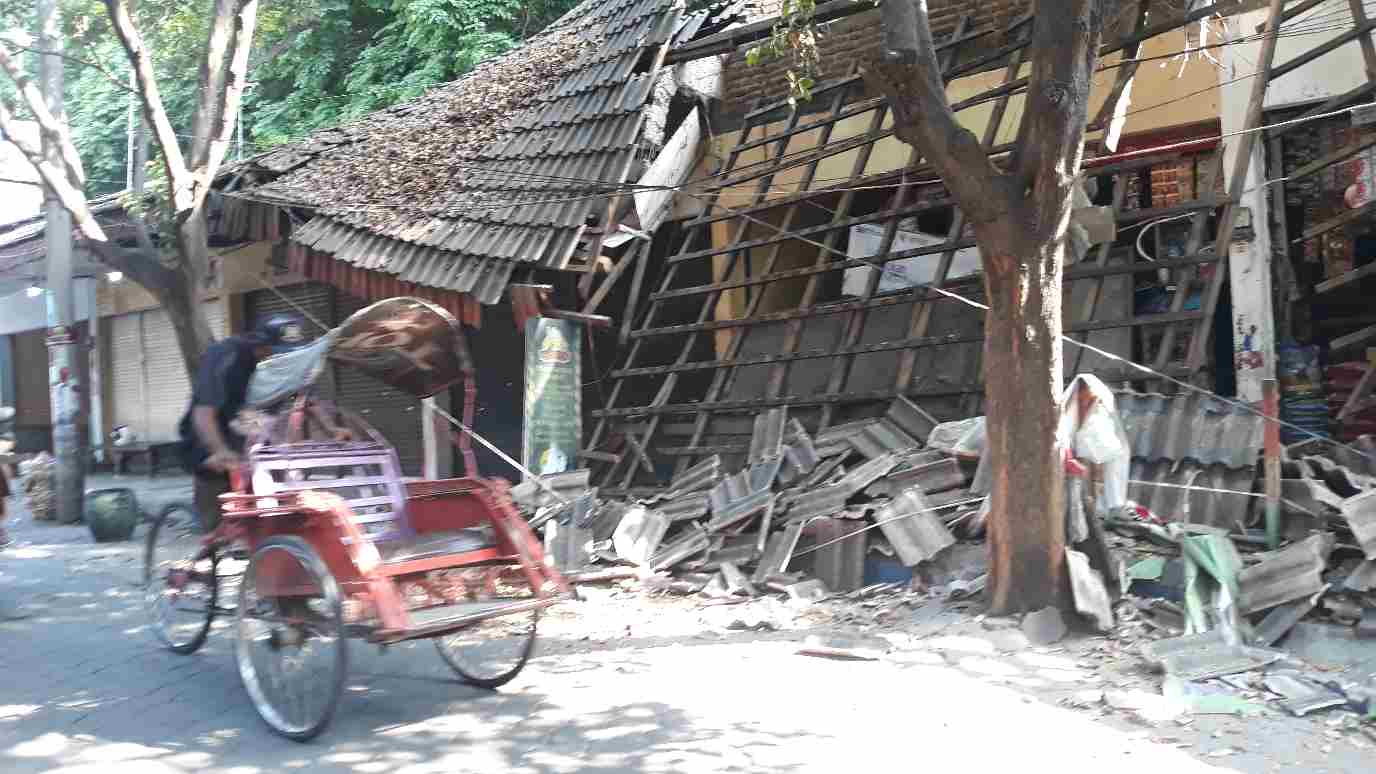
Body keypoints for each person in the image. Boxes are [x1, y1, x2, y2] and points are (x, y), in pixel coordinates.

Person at [180, 314, 350, 530]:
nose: (283, 360)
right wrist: (220, 450)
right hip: (214, 424)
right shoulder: (225, 355)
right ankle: (213, 531)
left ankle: (270, 533)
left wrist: (332, 428)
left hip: (252, 420)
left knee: (274, 468)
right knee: (220, 483)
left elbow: (308, 398)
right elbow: (204, 412)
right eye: (275, 353)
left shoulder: (289, 362)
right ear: (258, 345)